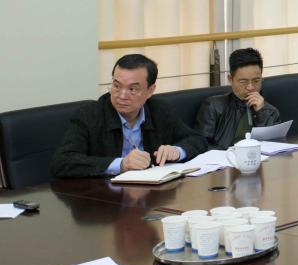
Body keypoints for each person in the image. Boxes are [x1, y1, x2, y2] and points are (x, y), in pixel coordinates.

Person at [50, 54, 207, 178]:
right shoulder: (89, 115)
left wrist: (177, 151)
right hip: (104, 198)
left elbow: (197, 140)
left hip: (152, 195)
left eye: (132, 89)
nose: (122, 96)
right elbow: (62, 162)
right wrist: (121, 165)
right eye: (117, 86)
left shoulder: (160, 110)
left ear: (150, 90)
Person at [196, 47, 281, 148]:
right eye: (243, 82)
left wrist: (261, 113)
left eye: (256, 81)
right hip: (226, 156)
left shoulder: (270, 112)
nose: (250, 87)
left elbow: (272, 147)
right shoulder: (213, 107)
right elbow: (199, 145)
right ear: (230, 79)